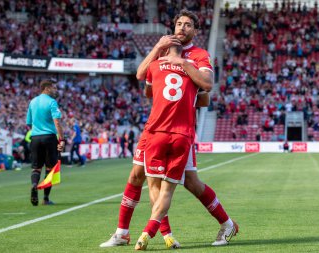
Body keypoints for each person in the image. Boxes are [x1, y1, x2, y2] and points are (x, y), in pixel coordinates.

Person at [100, 9, 238, 249]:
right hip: (154, 127)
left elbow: (206, 87)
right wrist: (156, 48)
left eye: (187, 25)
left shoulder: (199, 55)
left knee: (192, 183)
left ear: (195, 31)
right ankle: (126, 232)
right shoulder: (162, 50)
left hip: (181, 129)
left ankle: (226, 224)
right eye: (179, 24)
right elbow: (145, 82)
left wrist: (182, 65)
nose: (182, 28)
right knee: (137, 175)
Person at [134, 44, 211, 250]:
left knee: (153, 187)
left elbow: (145, 86)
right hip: (181, 134)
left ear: (165, 50)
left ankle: (163, 233)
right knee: (168, 190)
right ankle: (148, 233)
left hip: (157, 132)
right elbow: (205, 97)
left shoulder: (155, 65)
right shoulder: (192, 68)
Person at [26, 79, 65, 206]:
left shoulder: (32, 102)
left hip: (35, 138)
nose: (56, 90)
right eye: (54, 87)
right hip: (49, 137)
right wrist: (62, 139)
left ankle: (34, 185)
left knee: (36, 167)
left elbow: (29, 122)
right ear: (47, 88)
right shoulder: (52, 102)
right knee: (50, 169)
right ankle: (45, 199)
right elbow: (57, 122)